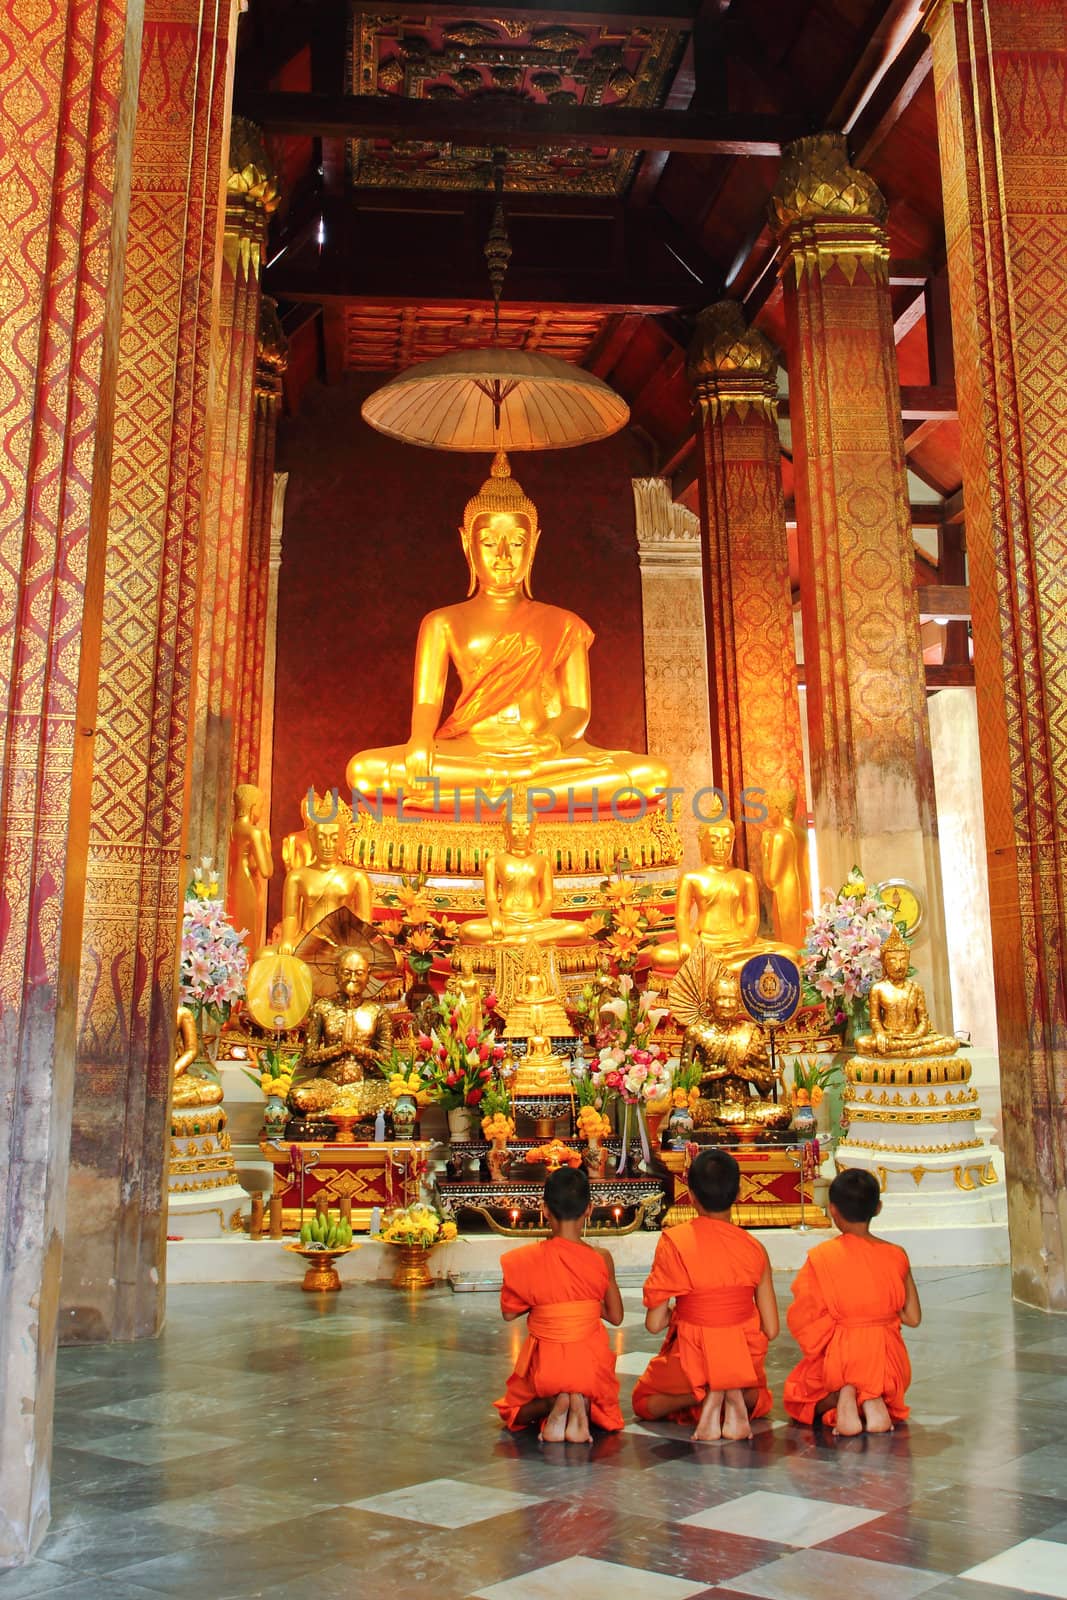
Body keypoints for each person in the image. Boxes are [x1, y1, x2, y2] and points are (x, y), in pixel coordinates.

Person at [633, 1149, 778, 1441]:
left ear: (691, 1194)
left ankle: (703, 1395)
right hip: (741, 1359)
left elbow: (654, 1324)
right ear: (738, 1193)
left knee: (643, 1402)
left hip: (691, 1360)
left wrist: (681, 1313)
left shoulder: (675, 1242)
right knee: (759, 1398)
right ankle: (729, 1389)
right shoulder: (754, 1248)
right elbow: (771, 1329)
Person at [783, 1167, 921, 1435]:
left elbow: (803, 1319)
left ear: (832, 1209)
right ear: (878, 1208)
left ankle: (844, 1394)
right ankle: (871, 1396)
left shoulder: (822, 1256)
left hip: (840, 1358)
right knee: (873, 1362)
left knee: (799, 1395)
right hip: (888, 1364)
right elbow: (913, 1317)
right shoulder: (897, 1254)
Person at [494, 1167, 624, 1443]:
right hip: (589, 1366)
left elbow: (508, 1313)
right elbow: (616, 1316)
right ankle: (580, 1401)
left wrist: (546, 1301)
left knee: (513, 1412)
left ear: (544, 1208)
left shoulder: (527, 1259)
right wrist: (583, 1304)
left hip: (545, 1368)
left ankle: (553, 1403)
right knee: (604, 1405)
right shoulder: (601, 1258)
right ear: (589, 1209)